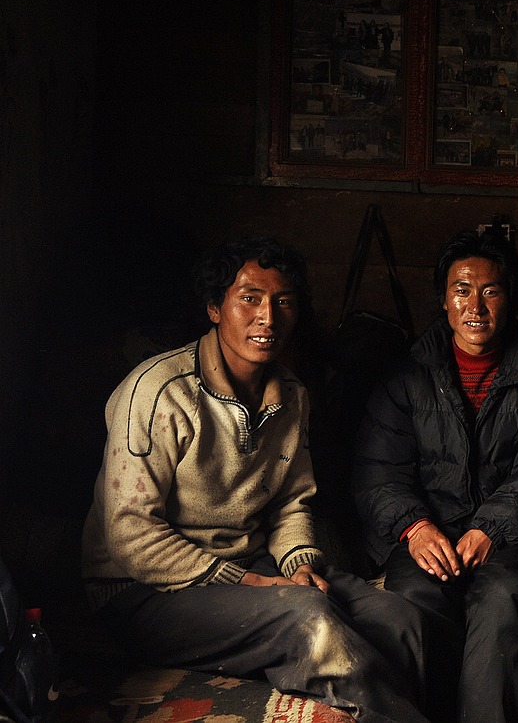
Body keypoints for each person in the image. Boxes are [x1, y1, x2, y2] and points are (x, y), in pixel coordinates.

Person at [80, 237, 431, 723]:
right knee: (306, 617)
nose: (268, 316)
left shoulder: (291, 395)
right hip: (142, 592)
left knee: (400, 618)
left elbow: (291, 503)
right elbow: (130, 535)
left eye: (282, 301)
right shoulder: (159, 391)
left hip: (251, 566)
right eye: (249, 298)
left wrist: (298, 565)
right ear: (214, 308)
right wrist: (255, 583)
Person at [351, 229, 518, 723]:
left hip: (509, 538)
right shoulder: (407, 372)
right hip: (428, 533)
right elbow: (378, 470)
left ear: (511, 298)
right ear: (444, 302)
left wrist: (491, 527)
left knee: (500, 606)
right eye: (461, 290)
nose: (476, 305)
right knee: (416, 605)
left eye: (491, 290)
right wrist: (415, 528)